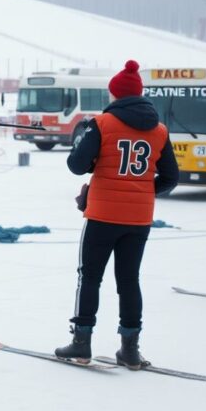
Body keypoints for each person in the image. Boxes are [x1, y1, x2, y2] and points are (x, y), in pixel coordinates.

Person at [55, 60, 178, 369]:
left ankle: (81, 342)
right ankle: (131, 348)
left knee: (90, 277)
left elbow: (76, 165)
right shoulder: (160, 130)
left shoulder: (103, 123)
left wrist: (88, 144)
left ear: (115, 95)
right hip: (138, 220)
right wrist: (145, 191)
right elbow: (172, 177)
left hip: (102, 216)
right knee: (129, 280)